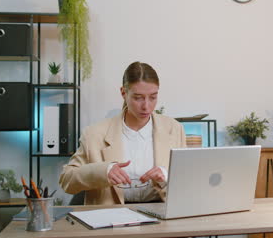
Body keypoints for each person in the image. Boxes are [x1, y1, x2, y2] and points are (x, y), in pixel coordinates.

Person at [59, 62, 186, 205]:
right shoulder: (94, 134)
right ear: (123, 93)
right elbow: (66, 180)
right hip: (111, 218)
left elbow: (189, 181)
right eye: (138, 97)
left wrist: (167, 176)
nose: (146, 106)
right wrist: (103, 171)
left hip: (161, 215)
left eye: (153, 97)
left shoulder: (174, 129)